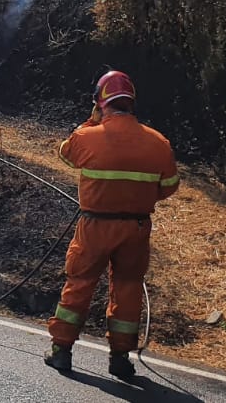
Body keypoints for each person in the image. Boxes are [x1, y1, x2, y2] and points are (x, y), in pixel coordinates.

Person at [44, 70, 179, 381]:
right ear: (131, 103)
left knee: (79, 284)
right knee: (128, 289)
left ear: (99, 103)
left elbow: (66, 153)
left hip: (95, 226)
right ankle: (120, 358)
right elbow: (170, 185)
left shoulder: (86, 137)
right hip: (136, 228)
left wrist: (92, 123)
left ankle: (61, 350)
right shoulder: (158, 143)